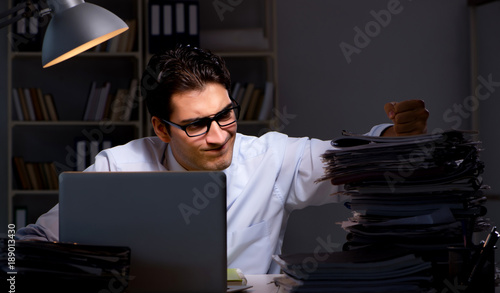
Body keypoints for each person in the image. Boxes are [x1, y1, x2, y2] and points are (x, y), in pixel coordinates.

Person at [16, 45, 429, 274]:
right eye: (196, 125)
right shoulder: (116, 167)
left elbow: (354, 161)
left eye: (226, 115)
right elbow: (33, 242)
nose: (218, 136)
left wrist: (395, 137)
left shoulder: (272, 157)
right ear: (161, 129)